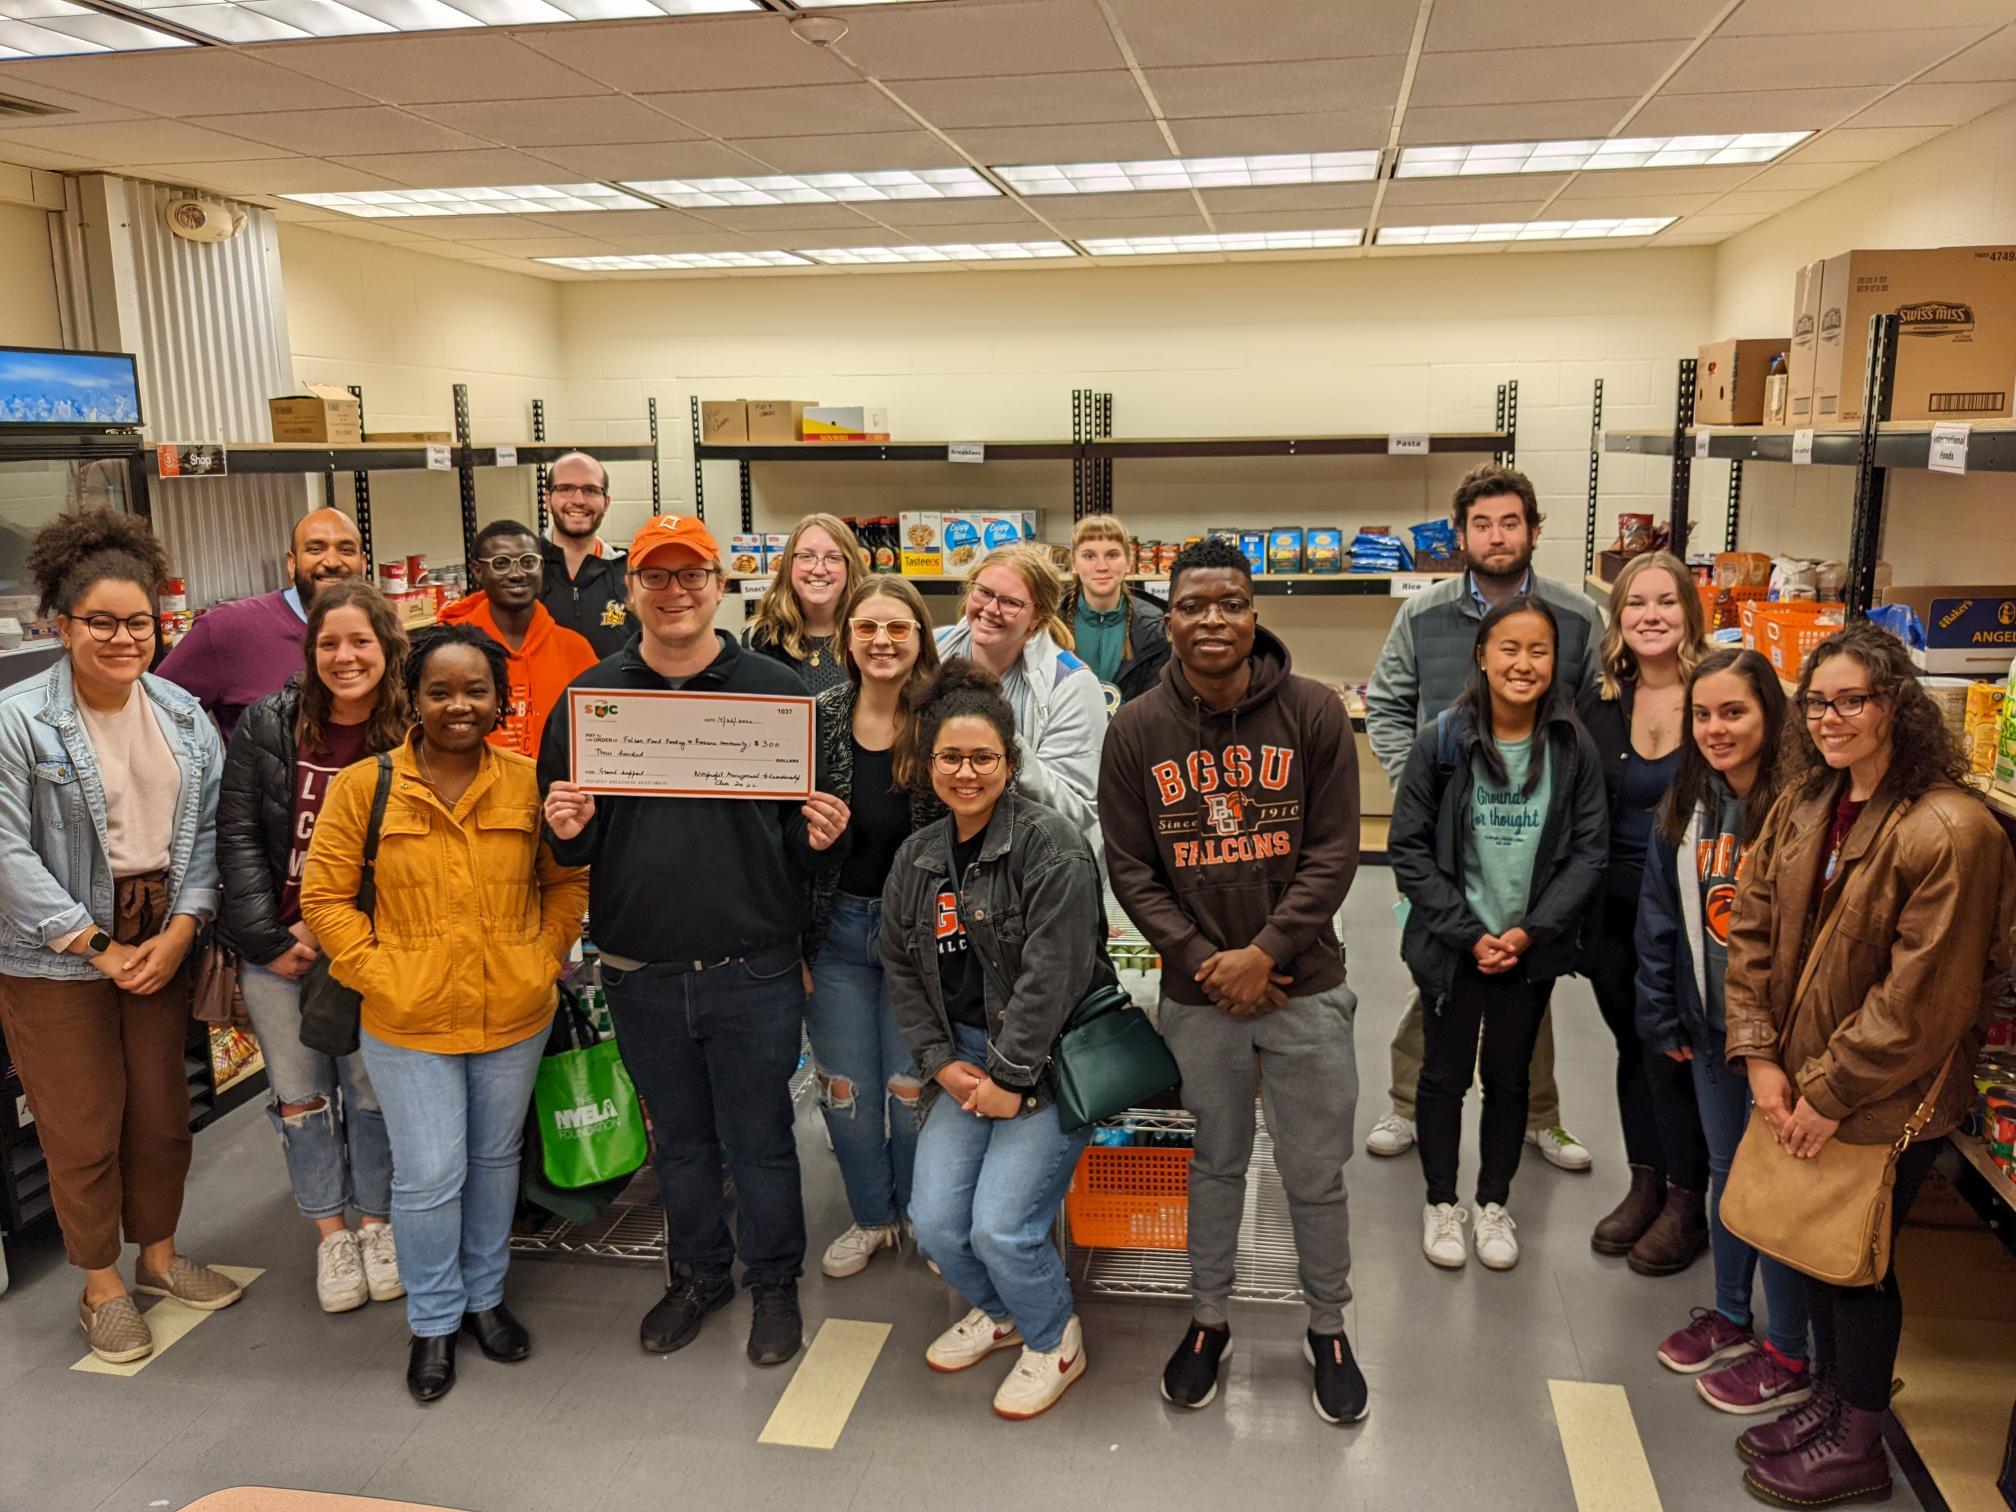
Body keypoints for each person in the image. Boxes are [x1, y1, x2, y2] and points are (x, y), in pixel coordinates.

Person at [539, 514, 849, 1370]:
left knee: (759, 1138)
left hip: (750, 967)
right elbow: (577, 842)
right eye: (656, 576)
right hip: (638, 969)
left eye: (692, 575)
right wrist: (563, 830)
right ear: (631, 588)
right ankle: (699, 1273)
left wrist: (822, 839)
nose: (674, 592)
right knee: (678, 1141)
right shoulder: (594, 700)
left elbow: (800, 839)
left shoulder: (776, 692)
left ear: (722, 584)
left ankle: (774, 1281)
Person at [1723, 624, 2016, 1508]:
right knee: (1816, 1248)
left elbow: (1920, 1002)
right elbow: (1753, 928)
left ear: (1896, 703)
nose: (1831, 718)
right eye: (1818, 701)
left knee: (1862, 1263)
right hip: (1800, 1080)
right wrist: (1761, 1057)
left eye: (1854, 700)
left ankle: (1858, 1441)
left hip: (1890, 1093)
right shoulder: (1809, 799)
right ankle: (1829, 1402)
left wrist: (1824, 1092)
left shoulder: (1952, 829)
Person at [1099, 537, 1367, 1424]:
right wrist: (1208, 964)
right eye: (1192, 606)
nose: (1212, 620)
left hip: (1307, 986)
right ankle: (1207, 1319)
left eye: (1230, 603)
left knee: (1313, 1168)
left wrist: (1268, 954)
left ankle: (1327, 1325)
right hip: (1199, 994)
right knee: (1213, 1164)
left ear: (1254, 613)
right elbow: (1131, 867)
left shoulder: (1316, 711)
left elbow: (1336, 849)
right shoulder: (1136, 728)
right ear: (1166, 619)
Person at [301, 624, 589, 1404]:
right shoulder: (367, 787)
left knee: (496, 1162)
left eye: (475, 691)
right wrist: (378, 974)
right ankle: (433, 1321)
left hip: (515, 1008)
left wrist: (542, 955)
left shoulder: (530, 783)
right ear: (411, 698)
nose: (459, 706)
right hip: (407, 1018)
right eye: (440, 691)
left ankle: (485, 1299)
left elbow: (567, 883)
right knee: (430, 1174)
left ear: (499, 699)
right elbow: (324, 897)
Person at [0, 510, 234, 1364]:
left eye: (139, 622)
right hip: (53, 953)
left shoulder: (179, 713)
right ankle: (101, 1284)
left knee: (163, 1114)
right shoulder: (18, 720)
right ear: (60, 625)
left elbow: (206, 833)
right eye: (100, 621)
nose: (123, 638)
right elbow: (4, 851)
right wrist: (95, 946)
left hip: (159, 935)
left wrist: (179, 932)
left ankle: (162, 1257)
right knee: (82, 1123)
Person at [884, 659, 1113, 1422]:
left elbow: (1055, 978)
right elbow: (899, 970)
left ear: (1010, 764)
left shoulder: (1052, 848)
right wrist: (943, 1064)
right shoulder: (916, 859)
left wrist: (1009, 1079)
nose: (966, 771)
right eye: (950, 757)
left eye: (984, 757)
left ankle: (1054, 1337)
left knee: (1003, 1226)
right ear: (929, 763)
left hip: (1048, 1064)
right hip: (965, 1060)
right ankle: (1004, 1313)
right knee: (940, 1224)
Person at [1363, 463, 1605, 1171]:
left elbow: (1592, 719)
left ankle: (1539, 1115)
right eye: (1481, 524)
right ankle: (1411, 1102)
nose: (1496, 537)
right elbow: (1386, 703)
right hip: (1442, 834)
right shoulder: (1424, 613)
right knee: (1442, 962)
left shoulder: (1578, 616)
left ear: (1534, 531)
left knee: (1525, 968)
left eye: (1510, 523)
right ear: (1461, 534)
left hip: (1535, 832)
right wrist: (1416, 788)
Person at [1389, 595, 1607, 1273]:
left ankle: (1492, 1202)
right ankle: (1440, 1201)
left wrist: (1530, 933)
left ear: (1556, 662)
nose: (1523, 663)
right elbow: (1410, 849)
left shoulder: (1572, 747)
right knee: (1444, 1075)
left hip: (1527, 952)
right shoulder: (1444, 740)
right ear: (1481, 656)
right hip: (1454, 949)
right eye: (1508, 648)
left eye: (1538, 650)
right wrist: (1467, 932)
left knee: (1510, 1079)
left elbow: (1588, 852)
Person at [219, 578, 410, 1315]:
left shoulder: (407, 728)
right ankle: (330, 1233)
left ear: (387, 647)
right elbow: (235, 836)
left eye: (360, 640)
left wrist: (342, 933)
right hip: (277, 951)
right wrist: (266, 939)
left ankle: (376, 1223)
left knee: (370, 1092)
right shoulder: (268, 724)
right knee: (300, 1098)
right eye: (329, 642)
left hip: (369, 947)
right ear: (309, 650)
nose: (344, 656)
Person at [1637, 649, 1813, 1416]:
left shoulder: (1802, 807)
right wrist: (1661, 1005)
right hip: (1709, 1029)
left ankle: (1791, 1350)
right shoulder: (1689, 801)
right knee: (1724, 1173)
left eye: (1733, 712)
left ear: (1771, 717)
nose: (1715, 729)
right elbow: (1660, 914)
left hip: (1779, 1044)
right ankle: (1735, 1316)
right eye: (1702, 714)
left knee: (1778, 1191)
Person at [805, 574, 943, 1279]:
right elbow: (779, 835)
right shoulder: (817, 715)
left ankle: (922, 1216)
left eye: (898, 628)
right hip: (834, 937)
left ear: (921, 637)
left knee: (912, 1089)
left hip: (918, 938)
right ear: (846, 639)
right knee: (845, 1090)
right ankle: (871, 1217)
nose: (882, 641)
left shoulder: (945, 719)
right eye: (868, 628)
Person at [1578, 551, 1712, 1272]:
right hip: (1612, 906)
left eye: (1665, 602)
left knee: (1681, 1049)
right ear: (1618, 617)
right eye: (1636, 604)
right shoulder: (1601, 698)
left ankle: (1690, 1202)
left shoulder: (1717, 692)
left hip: (1689, 910)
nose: (1651, 616)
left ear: (1690, 612)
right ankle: (1646, 1183)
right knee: (1634, 1044)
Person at [935, 544, 1106, 854]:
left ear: (1037, 617)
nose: (990, 609)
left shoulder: (1071, 685)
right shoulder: (932, 651)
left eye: (1010, 602)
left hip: (1032, 862)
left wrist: (1001, 738)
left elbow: (1079, 811)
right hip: (943, 850)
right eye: (983, 592)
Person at [158, 507, 365, 739]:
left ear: (363, 563)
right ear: (291, 564)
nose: (332, 562)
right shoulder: (227, 628)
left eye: (346, 550)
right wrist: (209, 770)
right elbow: (156, 714)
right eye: (315, 549)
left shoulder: (382, 631)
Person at [438, 519, 598, 758]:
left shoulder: (575, 649)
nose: (516, 574)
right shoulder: (449, 648)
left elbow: (598, 731)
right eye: (501, 564)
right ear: (477, 572)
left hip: (555, 791)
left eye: (528, 562)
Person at [743, 512, 870, 695]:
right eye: (807, 556)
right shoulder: (758, 638)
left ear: (850, 566)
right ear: (789, 564)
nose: (819, 570)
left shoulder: (870, 635)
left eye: (833, 557)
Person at [1061, 513, 1168, 707]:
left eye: (1112, 555)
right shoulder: (1051, 627)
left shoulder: (1156, 628)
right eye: (1089, 556)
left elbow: (1158, 706)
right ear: (1074, 564)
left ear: (1129, 563)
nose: (1101, 567)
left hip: (1134, 735)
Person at [539, 451, 632, 657]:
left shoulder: (630, 572)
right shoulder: (523, 570)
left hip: (608, 689)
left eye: (590, 490)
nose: (579, 500)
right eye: (565, 489)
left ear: (606, 502)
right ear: (548, 500)